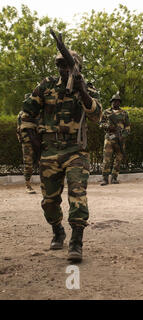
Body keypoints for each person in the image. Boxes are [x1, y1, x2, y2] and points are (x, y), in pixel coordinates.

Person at [20, 50, 102, 262]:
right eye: (60, 65)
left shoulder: (87, 87)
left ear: (77, 67)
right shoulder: (46, 85)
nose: (63, 69)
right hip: (50, 150)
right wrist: (34, 143)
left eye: (67, 65)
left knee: (77, 194)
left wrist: (82, 90)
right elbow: (26, 114)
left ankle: (76, 241)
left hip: (76, 150)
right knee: (49, 201)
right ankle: (57, 229)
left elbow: (96, 116)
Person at [99, 92, 130, 185]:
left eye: (117, 101)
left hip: (120, 139)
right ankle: (104, 178)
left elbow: (128, 127)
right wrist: (108, 126)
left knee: (118, 159)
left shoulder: (124, 113)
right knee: (107, 159)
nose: (115, 103)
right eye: (114, 101)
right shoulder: (106, 112)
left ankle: (114, 177)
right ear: (111, 102)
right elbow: (100, 124)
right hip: (109, 138)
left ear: (119, 103)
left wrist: (123, 135)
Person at [16, 98, 39, 194]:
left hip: (37, 141)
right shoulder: (22, 114)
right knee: (28, 164)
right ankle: (28, 185)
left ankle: (47, 185)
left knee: (44, 162)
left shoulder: (36, 113)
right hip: (27, 142)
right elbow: (21, 129)